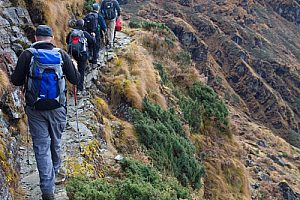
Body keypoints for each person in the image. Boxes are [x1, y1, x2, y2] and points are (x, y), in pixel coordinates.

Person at [11, 25, 80, 200]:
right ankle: (55, 171)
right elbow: (75, 80)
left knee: (41, 148)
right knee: (56, 141)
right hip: (58, 108)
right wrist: (75, 66)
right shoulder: (62, 55)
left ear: (35, 38)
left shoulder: (27, 55)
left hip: (35, 109)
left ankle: (47, 191)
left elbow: (16, 80)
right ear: (52, 37)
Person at [66, 19, 95, 95]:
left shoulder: (71, 33)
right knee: (81, 70)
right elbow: (92, 42)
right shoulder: (84, 33)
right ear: (82, 25)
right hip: (82, 54)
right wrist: (93, 36)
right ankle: (79, 88)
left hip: (72, 53)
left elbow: (67, 41)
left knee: (73, 69)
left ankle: (72, 86)